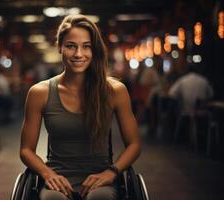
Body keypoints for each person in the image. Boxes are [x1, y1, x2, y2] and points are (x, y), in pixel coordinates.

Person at [20, 14, 141, 200]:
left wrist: (111, 173)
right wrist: (47, 174)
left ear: (95, 51)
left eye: (87, 46)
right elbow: (26, 150)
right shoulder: (39, 93)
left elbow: (134, 145)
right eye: (71, 46)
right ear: (60, 47)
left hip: (101, 179)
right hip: (57, 179)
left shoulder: (115, 91)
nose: (78, 54)